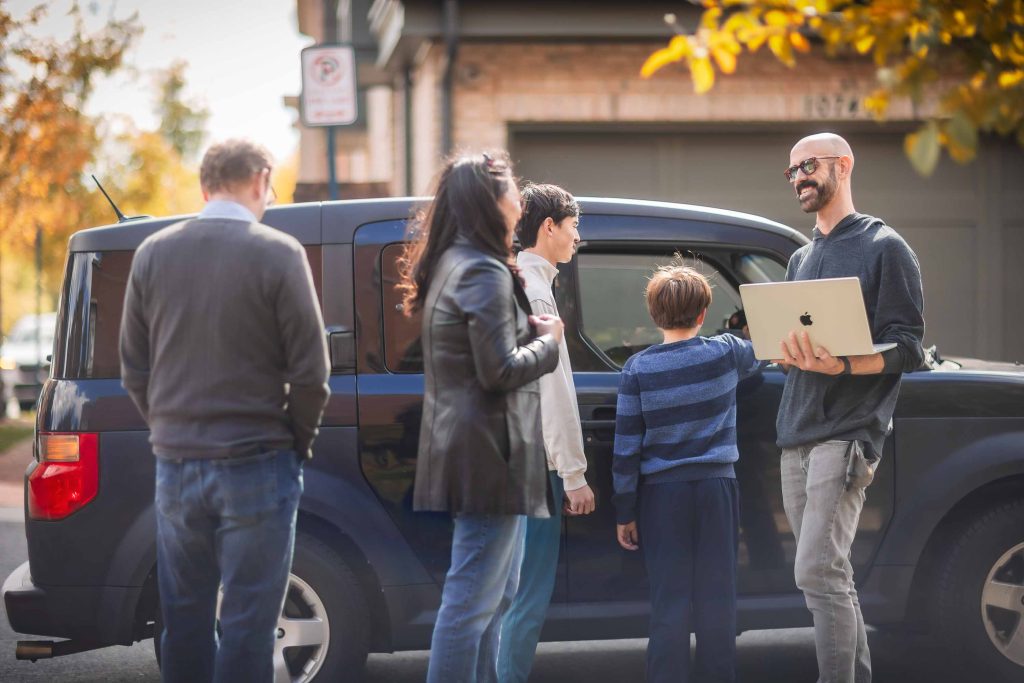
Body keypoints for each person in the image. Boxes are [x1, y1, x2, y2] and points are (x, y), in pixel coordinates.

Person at [119, 139, 330, 683]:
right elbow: (311, 374)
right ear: (260, 179)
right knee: (249, 623)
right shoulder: (280, 253)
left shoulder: (152, 254)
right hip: (259, 460)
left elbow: (133, 370)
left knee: (184, 622)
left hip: (178, 464)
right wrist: (296, 446)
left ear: (203, 186)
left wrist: (170, 430)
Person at [399, 151, 563, 683]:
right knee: (472, 603)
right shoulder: (482, 270)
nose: (520, 199)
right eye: (514, 189)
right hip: (489, 458)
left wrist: (525, 329)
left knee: (496, 597)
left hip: (482, 455)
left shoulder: (459, 262)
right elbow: (498, 370)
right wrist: (548, 341)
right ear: (493, 202)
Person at [776, 132, 925, 683]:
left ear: (843, 165)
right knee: (828, 575)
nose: (798, 179)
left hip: (848, 432)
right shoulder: (800, 257)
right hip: (796, 431)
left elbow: (908, 348)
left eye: (808, 166)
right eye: (791, 171)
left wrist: (841, 365)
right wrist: (788, 354)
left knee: (816, 569)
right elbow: (800, 347)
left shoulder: (886, 247)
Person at [612, 264, 763, 683]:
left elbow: (626, 449)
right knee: (718, 601)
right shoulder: (727, 351)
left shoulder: (637, 370)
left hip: (661, 497)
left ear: (654, 315)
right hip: (717, 489)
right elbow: (766, 348)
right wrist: (740, 327)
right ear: (701, 316)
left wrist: (625, 510)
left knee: (669, 603)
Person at [498, 183, 596, 683]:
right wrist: (574, 474)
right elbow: (553, 392)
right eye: (573, 225)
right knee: (527, 594)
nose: (578, 236)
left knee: (505, 592)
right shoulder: (535, 291)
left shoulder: (520, 281)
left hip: (511, 459)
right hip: (538, 466)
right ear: (549, 227)